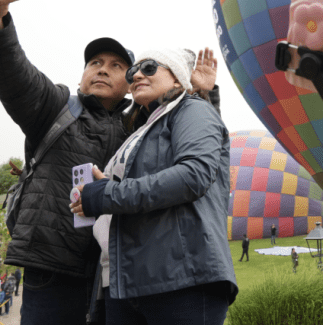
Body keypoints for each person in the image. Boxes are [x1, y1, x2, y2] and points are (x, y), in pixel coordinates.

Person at [0, 0, 220, 325]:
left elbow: (196, 152)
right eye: (95, 63)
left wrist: (202, 95)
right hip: (55, 269)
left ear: (131, 83)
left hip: (117, 272)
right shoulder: (55, 107)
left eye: (118, 65)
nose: (103, 69)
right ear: (81, 76)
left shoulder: (140, 131)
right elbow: (12, 74)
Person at [73, 48, 238, 324]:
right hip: (125, 278)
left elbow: (194, 174)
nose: (136, 74)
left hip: (181, 277)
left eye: (150, 67)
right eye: (132, 72)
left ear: (177, 80)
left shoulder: (192, 110)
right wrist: (103, 190)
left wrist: (107, 194)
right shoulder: (140, 132)